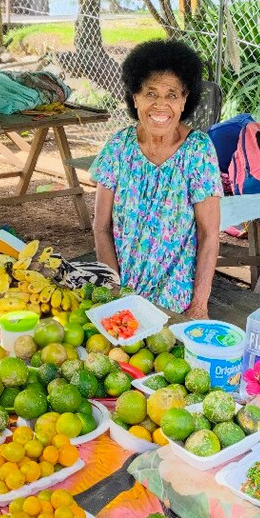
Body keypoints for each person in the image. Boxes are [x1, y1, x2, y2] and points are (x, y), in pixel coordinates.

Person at [90, 40, 222, 318]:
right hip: (122, 292)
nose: (160, 105)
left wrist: (199, 305)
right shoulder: (118, 148)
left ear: (185, 100)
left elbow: (209, 234)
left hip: (175, 301)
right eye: (150, 93)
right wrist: (115, 291)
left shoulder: (198, 150)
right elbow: (101, 227)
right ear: (135, 97)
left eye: (172, 95)